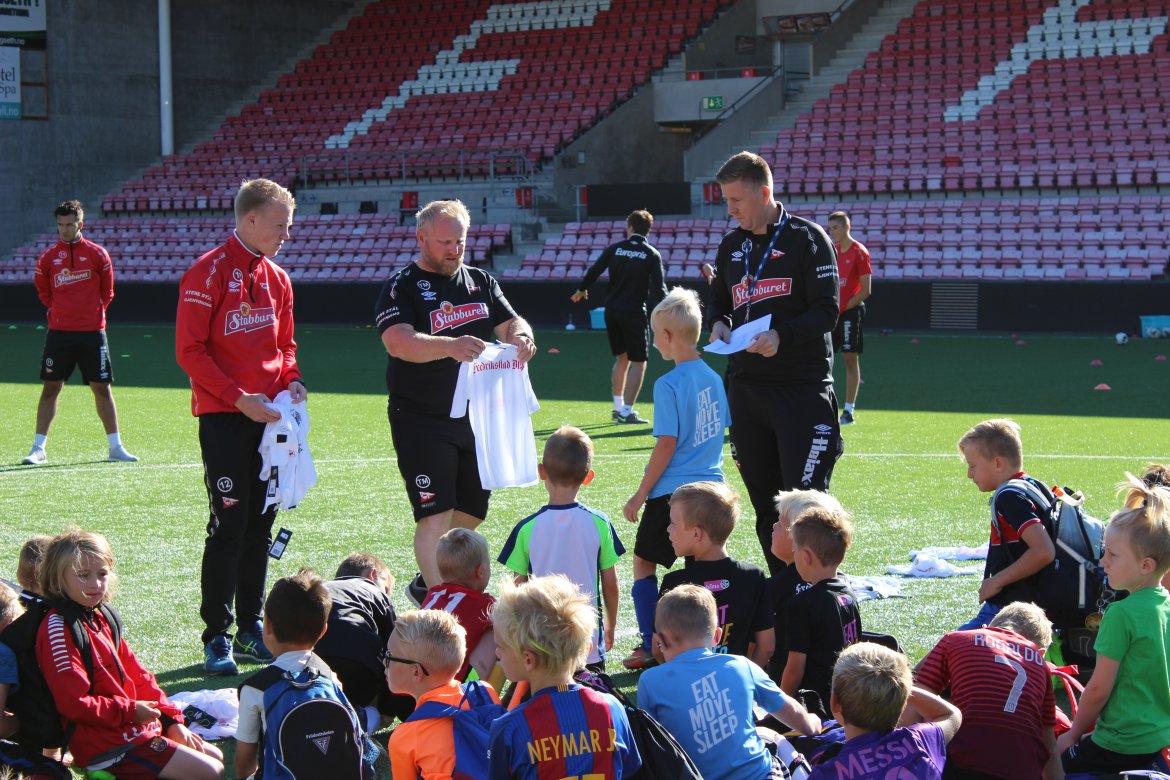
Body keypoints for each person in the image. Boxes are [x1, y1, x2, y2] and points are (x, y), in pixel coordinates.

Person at [375, 199, 536, 607]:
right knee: (434, 514)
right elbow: (397, 342)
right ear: (422, 238)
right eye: (445, 242)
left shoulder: (480, 280)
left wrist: (521, 336)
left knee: (472, 512)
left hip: (477, 418)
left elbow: (512, 320)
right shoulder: (403, 285)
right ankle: (439, 607)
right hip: (422, 417)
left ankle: (425, 583)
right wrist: (451, 345)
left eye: (460, 242)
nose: (453, 250)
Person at [176, 178, 306, 676]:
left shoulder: (279, 279)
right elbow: (189, 352)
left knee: (261, 527)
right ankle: (217, 636)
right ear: (250, 219)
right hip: (226, 419)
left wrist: (292, 379)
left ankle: (252, 628)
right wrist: (237, 398)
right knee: (229, 526)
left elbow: (286, 346)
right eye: (279, 226)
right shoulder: (205, 273)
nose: (285, 236)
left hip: (273, 422)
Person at [708, 151, 842, 575]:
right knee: (766, 509)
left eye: (737, 201)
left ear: (764, 192)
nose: (730, 210)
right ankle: (785, 595)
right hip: (747, 390)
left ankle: (819, 596)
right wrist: (718, 325)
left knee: (804, 507)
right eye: (726, 201)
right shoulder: (732, 245)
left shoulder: (808, 239)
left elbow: (827, 309)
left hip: (801, 390)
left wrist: (782, 335)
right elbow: (720, 305)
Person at [35, 529, 224, 779]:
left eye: (102, 574)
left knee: (216, 757)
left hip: (131, 730)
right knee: (211, 771)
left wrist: (171, 722)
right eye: (83, 575)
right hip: (105, 746)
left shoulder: (101, 616)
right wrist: (131, 711)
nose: (95, 584)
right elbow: (74, 703)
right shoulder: (58, 628)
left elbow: (139, 676)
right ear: (58, 580)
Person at [621, 287, 730, 669]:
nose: (653, 341)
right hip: (714, 490)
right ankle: (704, 643)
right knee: (699, 569)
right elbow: (718, 432)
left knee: (643, 562)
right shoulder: (714, 379)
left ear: (666, 337)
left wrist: (639, 495)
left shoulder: (667, 384)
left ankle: (653, 643)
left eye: (655, 334)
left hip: (675, 493)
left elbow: (666, 445)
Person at [638, 584, 821, 780]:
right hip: (759, 775)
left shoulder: (650, 681)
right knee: (770, 735)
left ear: (661, 641)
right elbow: (792, 712)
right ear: (717, 636)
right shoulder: (741, 665)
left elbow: (650, 749)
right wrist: (813, 723)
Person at [1057, 475, 1170, 775]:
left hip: (1120, 742)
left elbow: (1097, 690)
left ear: (1146, 565)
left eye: (1113, 555)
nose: (1103, 561)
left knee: (1046, 763)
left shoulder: (1121, 614)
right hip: (1158, 739)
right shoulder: (1166, 605)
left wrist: (1073, 734)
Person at [487, 574, 642, 779]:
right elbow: (629, 769)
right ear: (585, 648)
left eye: (501, 647)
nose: (497, 653)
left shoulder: (509, 729)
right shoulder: (612, 709)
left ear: (528, 659)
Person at [498, 426, 624, 670]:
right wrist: (611, 625)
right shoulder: (599, 523)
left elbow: (516, 590)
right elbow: (610, 582)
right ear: (588, 477)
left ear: (541, 472)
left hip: (540, 645)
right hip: (585, 643)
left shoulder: (527, 528)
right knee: (589, 703)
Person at [23, 200, 138, 466]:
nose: (64, 230)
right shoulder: (48, 258)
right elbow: (43, 291)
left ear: (80, 224)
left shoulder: (98, 255)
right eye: (60, 225)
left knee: (102, 388)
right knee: (51, 387)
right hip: (59, 333)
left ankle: (116, 447)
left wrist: (91, 313)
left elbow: (107, 292)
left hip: (92, 333)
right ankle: (38, 448)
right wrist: (59, 310)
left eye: (69, 224)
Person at [235, 568, 369, 780]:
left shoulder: (256, 688)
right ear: (324, 630)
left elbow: (244, 765)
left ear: (266, 625)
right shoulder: (330, 678)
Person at [915, 602, 1063, 780]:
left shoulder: (956, 639)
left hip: (964, 763)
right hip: (1022, 771)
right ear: (1041, 653)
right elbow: (1050, 746)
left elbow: (915, 698)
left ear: (986, 627)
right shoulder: (1041, 666)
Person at [659, 481, 774, 666]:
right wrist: (745, 679)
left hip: (689, 688)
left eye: (672, 523)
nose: (668, 529)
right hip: (735, 686)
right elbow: (766, 646)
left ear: (696, 533)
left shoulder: (675, 583)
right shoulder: (753, 577)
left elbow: (659, 649)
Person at [809, 642, 961, 780]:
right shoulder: (920, 741)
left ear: (835, 702)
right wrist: (901, 688)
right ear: (904, 700)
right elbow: (952, 715)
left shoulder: (827, 773)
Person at [956, 419, 1056, 631]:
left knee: (944, 655)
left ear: (998, 463)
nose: (969, 474)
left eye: (973, 466)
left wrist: (995, 582)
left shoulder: (1009, 496)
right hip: (1027, 606)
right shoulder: (1033, 485)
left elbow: (1044, 551)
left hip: (1009, 609)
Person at [570, 209, 667, 424]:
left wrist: (582, 289)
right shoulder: (651, 254)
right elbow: (659, 289)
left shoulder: (615, 249)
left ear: (630, 227)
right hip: (634, 312)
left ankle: (617, 408)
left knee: (622, 359)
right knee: (639, 363)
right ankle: (626, 412)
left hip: (611, 311)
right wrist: (668, 309)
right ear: (648, 230)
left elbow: (595, 270)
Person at [385, 609, 501, 780]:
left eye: (389, 656)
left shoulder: (405, 737)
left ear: (416, 672)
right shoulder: (484, 692)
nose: (384, 662)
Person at [314, 552, 412, 727]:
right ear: (372, 575)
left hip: (310, 658)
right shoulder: (373, 590)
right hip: (357, 661)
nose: (387, 595)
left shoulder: (320, 587)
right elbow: (395, 648)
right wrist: (389, 708)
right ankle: (365, 720)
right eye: (387, 590)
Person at [781, 506, 862, 709]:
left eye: (795, 550)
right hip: (848, 698)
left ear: (806, 556)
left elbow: (794, 668)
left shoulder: (802, 603)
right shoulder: (849, 594)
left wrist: (782, 707)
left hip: (816, 704)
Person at [768, 489, 846, 684]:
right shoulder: (842, 584)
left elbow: (763, 646)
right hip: (837, 685)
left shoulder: (775, 587)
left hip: (791, 688)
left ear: (798, 537)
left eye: (781, 523)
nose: (774, 526)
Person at [421, 528, 500, 685]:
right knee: (500, 631)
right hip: (447, 688)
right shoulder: (484, 605)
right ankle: (483, 697)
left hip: (411, 681)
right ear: (481, 571)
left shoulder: (433, 594)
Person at [825, 211, 871, 427]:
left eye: (834, 227)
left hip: (850, 312)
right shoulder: (832, 252)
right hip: (833, 313)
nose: (831, 232)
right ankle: (826, 407)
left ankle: (849, 410)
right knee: (826, 359)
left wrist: (842, 308)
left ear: (846, 227)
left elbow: (865, 290)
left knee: (850, 359)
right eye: (830, 228)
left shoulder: (859, 252)